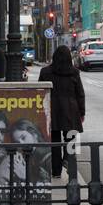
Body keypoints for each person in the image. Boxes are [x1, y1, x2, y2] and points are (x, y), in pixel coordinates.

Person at [39, 44, 86, 179]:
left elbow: (40, 91)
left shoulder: (45, 72)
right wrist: (82, 112)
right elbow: (80, 94)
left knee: (54, 141)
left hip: (52, 110)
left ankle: (56, 171)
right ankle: (69, 161)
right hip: (71, 110)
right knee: (71, 138)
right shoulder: (74, 72)